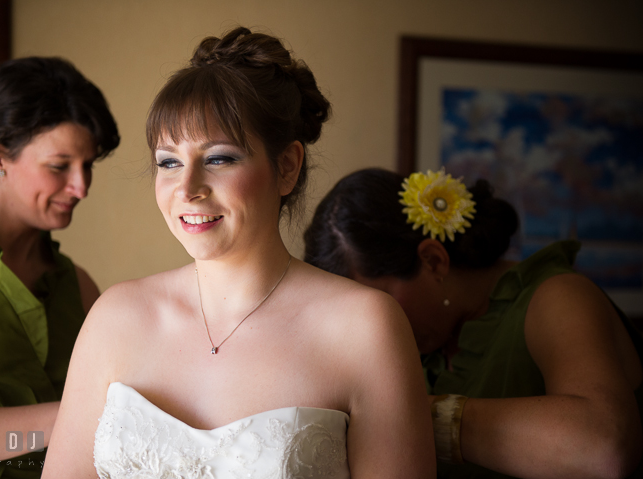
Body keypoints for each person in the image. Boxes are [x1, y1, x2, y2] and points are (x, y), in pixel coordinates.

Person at [42, 27, 435, 478]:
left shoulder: (365, 327)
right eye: (169, 162)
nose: (186, 190)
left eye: (219, 158)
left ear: (286, 167)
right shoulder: (115, 317)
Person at [303, 167, 643, 479]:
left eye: (377, 305)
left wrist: (411, 415)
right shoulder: (419, 344)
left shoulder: (558, 297)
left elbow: (603, 448)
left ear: (433, 261)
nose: (367, 329)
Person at [0, 57, 120, 478]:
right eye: (59, 166)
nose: (81, 187)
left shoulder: (80, 287)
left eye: (88, 166)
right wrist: (72, 415)